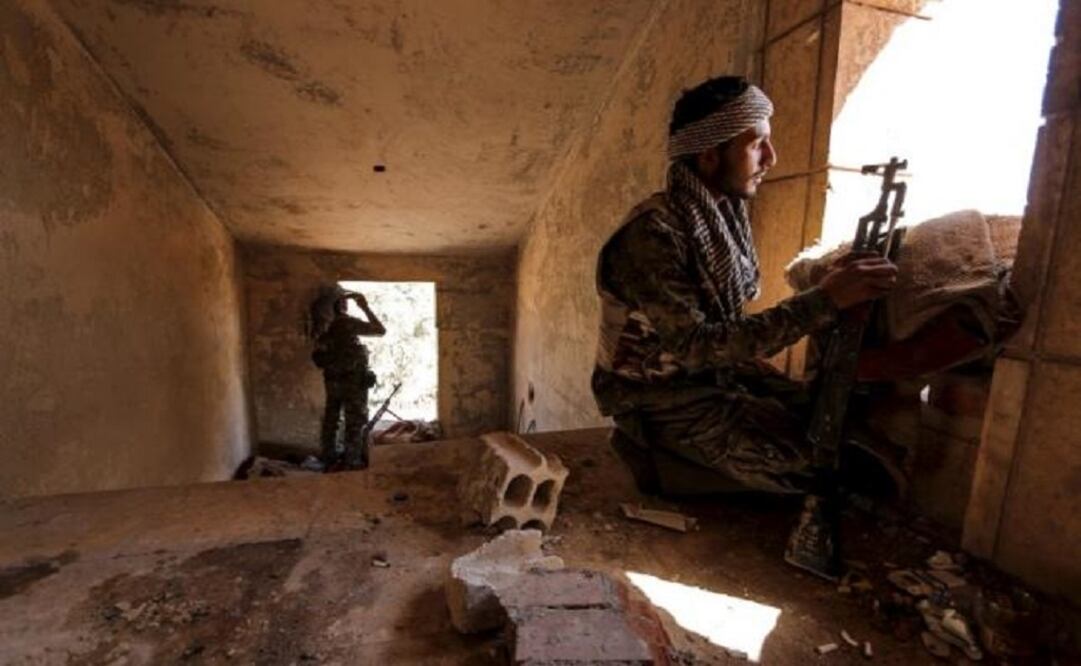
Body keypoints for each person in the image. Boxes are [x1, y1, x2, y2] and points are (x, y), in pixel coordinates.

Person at [591, 76, 898, 578]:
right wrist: (824, 302)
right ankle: (655, 459)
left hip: (712, 376)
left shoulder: (720, 217)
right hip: (658, 398)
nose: (771, 158)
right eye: (756, 144)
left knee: (833, 423)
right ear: (709, 156)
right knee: (819, 468)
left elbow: (724, 326)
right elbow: (696, 346)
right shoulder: (652, 235)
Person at [312, 292, 386, 468]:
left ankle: (329, 459)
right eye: (345, 302)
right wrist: (365, 307)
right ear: (341, 306)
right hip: (352, 382)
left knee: (332, 419)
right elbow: (380, 330)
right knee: (354, 422)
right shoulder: (346, 323)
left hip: (333, 381)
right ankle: (351, 461)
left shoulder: (323, 328)